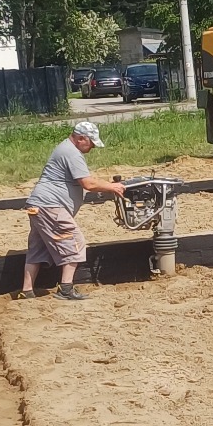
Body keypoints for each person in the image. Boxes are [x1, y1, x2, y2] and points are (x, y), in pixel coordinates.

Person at [21, 119, 126, 301]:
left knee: (38, 248)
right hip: (50, 206)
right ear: (80, 138)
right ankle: (66, 289)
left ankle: (27, 290)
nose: (92, 147)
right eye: (91, 143)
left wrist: (107, 185)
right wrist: (112, 187)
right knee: (75, 242)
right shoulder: (72, 153)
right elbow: (88, 183)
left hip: (39, 205)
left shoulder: (66, 149)